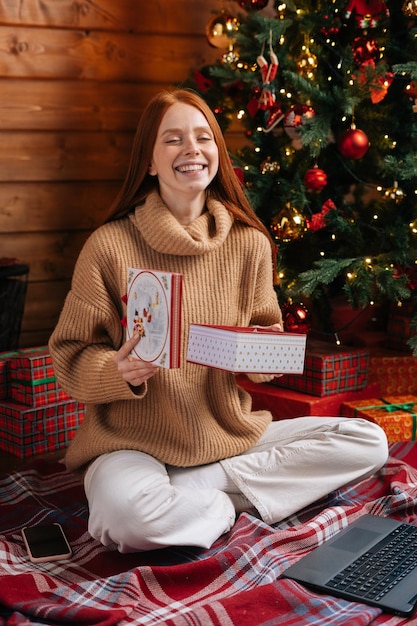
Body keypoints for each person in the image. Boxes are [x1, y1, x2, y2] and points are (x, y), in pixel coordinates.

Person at [49, 88, 388, 553]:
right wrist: (116, 372)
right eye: (172, 140)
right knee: (125, 520)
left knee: (368, 441)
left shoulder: (248, 244)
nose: (191, 149)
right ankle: (223, 503)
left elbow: (262, 355)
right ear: (148, 162)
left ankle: (200, 489)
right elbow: (69, 356)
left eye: (203, 137)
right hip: (130, 445)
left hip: (226, 436)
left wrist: (262, 348)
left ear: (217, 153)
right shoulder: (108, 246)